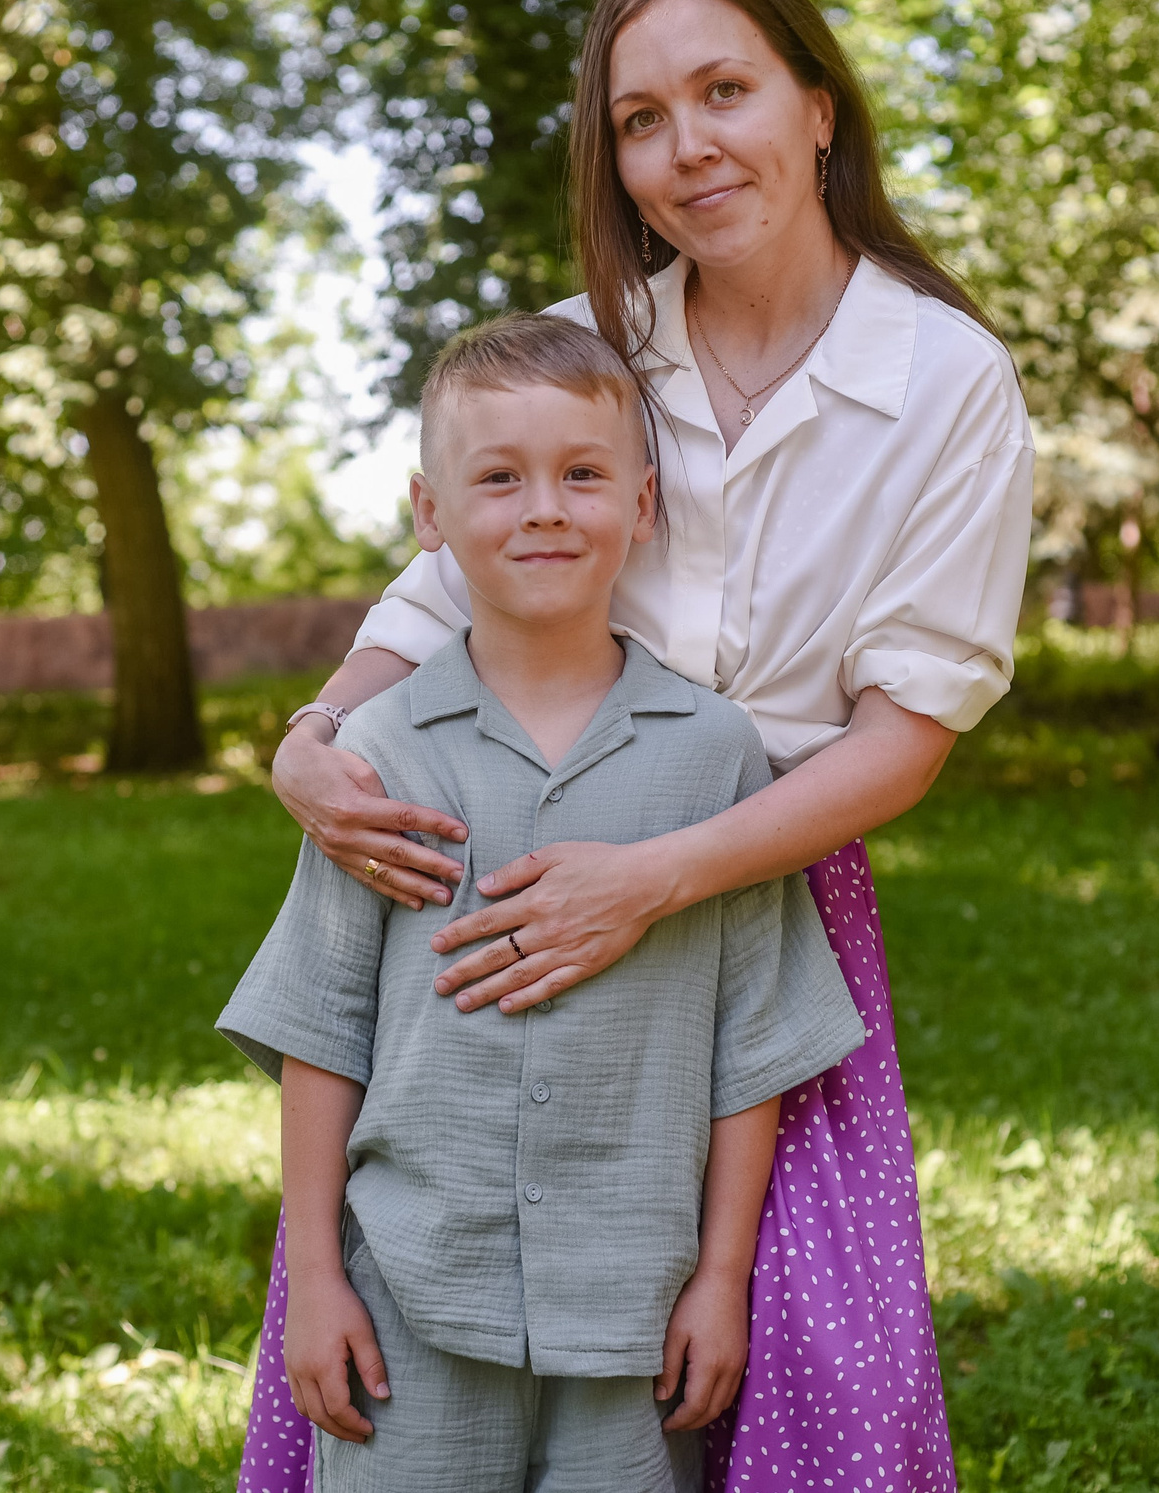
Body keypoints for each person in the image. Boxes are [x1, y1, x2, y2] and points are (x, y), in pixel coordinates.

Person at [246, 0, 1034, 1493]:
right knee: (424, 1304)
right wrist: (307, 745)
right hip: (506, 855)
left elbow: (905, 734)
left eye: (726, 92)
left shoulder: (946, 377)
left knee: (777, 1353)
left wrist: (658, 875)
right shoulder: (587, 344)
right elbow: (428, 604)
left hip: (759, 886)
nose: (689, 149)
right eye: (642, 119)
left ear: (819, 108)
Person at [219, 313, 865, 1492]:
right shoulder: (375, 758)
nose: (546, 508)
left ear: (645, 503)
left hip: (635, 1312)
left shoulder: (717, 759)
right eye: (500, 477)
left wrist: (721, 1280)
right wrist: (315, 1281)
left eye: (582, 473)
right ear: (430, 514)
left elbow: (752, 1046)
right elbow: (321, 1032)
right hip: (409, 1302)